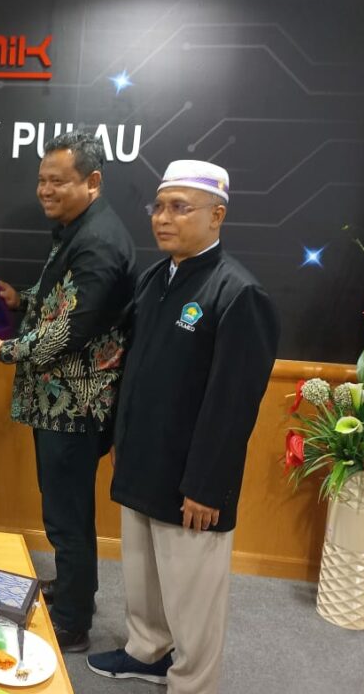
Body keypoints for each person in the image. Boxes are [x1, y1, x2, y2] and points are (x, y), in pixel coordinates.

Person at [87, 160, 280, 693]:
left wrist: (206, 486)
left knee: (192, 594)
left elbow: (233, 404)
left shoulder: (237, 293)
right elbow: (135, 370)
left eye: (179, 207)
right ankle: (147, 651)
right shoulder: (156, 279)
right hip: (142, 462)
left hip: (192, 479)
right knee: (144, 577)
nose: (162, 218)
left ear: (217, 216)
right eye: (159, 206)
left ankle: (193, 682)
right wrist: (121, 439)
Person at [0, 132, 137, 653]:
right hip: (59, 399)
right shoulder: (78, 228)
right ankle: (72, 591)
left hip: (75, 403)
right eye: (42, 180)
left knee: (67, 515)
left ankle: (72, 622)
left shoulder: (100, 241)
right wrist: (21, 300)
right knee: (65, 508)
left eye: (57, 181)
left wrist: (4, 350)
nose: (45, 190)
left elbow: (71, 330)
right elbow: (64, 297)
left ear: (93, 181)